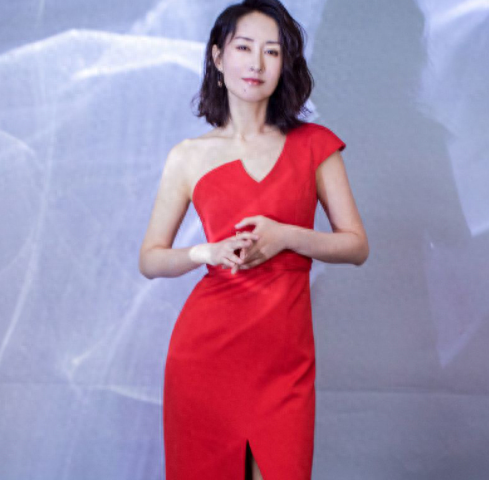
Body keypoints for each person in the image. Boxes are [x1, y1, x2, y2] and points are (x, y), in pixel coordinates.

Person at [138, 0, 369, 478]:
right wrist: (205, 251)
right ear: (218, 57)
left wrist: (287, 236)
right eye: (244, 48)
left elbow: (356, 246)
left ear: (285, 64)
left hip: (284, 362)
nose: (257, 63)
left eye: (272, 51)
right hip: (205, 356)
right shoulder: (188, 156)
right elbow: (150, 259)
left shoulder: (315, 145)